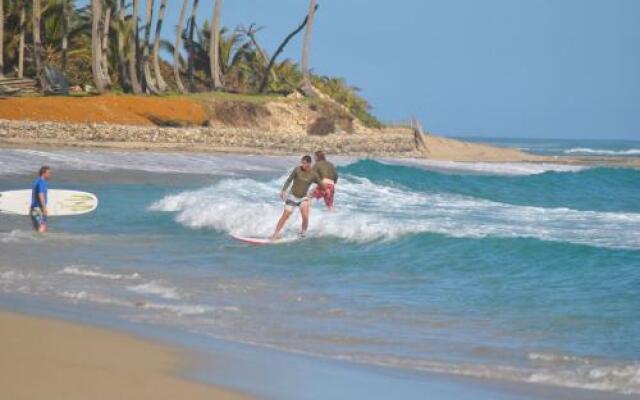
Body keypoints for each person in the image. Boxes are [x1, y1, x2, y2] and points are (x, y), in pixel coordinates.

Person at [271, 155, 321, 239]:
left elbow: (321, 184)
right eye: (302, 162)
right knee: (285, 215)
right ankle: (275, 234)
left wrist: (313, 193)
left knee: (305, 216)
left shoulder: (314, 174)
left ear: (309, 163)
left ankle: (303, 234)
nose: (302, 164)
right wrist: (283, 190)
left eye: (304, 163)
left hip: (304, 198)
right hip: (292, 196)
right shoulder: (297, 170)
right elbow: (289, 180)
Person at [31, 166, 52, 233]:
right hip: (38, 208)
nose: (50, 175)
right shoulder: (42, 182)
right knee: (42, 227)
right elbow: (41, 194)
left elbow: (34, 196)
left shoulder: (37, 182)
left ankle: (36, 242)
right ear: (43, 173)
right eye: (49, 173)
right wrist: (44, 207)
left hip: (34, 208)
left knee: (38, 228)